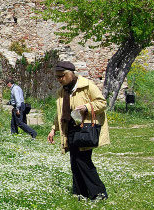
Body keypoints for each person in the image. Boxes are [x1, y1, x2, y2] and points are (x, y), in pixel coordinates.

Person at [47, 61, 109, 201]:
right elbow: (60, 114)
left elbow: (102, 103)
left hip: (84, 129)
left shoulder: (87, 86)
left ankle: (99, 193)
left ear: (70, 74)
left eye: (62, 76)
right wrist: (53, 129)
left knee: (83, 161)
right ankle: (80, 192)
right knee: (74, 161)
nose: (59, 79)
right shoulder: (62, 92)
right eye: (57, 77)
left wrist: (86, 107)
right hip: (70, 130)